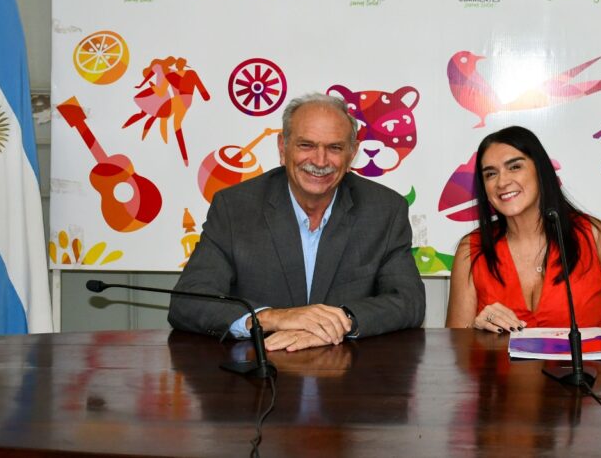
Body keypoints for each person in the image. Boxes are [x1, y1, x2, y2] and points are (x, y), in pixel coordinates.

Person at [168, 93, 425, 351]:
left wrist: (339, 322)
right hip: (259, 368)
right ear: (283, 147)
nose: (320, 161)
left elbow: (409, 301)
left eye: (334, 148)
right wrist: (272, 318)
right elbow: (188, 301)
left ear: (352, 154)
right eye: (306, 145)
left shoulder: (384, 210)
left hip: (348, 370)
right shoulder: (235, 208)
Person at [445, 126, 601, 333]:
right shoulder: (471, 250)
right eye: (491, 174)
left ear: (540, 171)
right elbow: (456, 342)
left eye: (515, 167)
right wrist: (476, 329)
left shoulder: (593, 235)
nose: (502, 182)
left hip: (588, 359)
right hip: (498, 359)